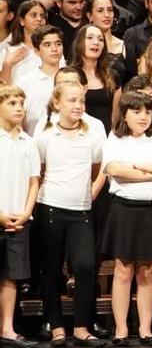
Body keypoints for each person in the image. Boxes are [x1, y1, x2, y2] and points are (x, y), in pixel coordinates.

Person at [98, 91, 152, 346]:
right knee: (123, 271)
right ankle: (121, 329)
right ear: (125, 114)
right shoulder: (115, 136)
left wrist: (135, 168)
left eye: (147, 111)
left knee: (147, 271)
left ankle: (145, 329)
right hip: (124, 209)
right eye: (137, 111)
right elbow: (114, 170)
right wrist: (149, 171)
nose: (143, 116)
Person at [34, 81, 106, 347]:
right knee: (51, 268)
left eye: (81, 101)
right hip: (50, 207)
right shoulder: (45, 135)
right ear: (57, 104)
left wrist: (92, 192)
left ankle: (80, 327)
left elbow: (100, 168)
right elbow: (38, 171)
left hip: (81, 210)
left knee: (86, 265)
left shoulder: (91, 134)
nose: (78, 106)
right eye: (72, 101)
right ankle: (56, 328)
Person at [0, 83, 40, 348]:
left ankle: (7, 328)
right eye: (12, 103)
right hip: (1, 215)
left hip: (19, 219)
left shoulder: (28, 142)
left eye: (21, 103)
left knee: (11, 275)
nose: (19, 108)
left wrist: (26, 212)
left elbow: (34, 180)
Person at [69, 25, 120, 134]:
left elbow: (116, 116)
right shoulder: (69, 75)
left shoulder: (112, 76)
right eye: (90, 38)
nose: (96, 42)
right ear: (79, 42)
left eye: (100, 39)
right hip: (77, 135)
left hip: (106, 136)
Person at [18, 25, 64, 135]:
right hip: (33, 144)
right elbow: (18, 120)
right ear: (37, 51)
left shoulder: (71, 78)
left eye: (58, 44)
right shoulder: (25, 81)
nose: (54, 49)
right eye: (47, 45)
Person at [1, 1, 48, 85]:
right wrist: (7, 64)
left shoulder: (53, 48)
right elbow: (3, 89)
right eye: (34, 15)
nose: (39, 19)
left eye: (42, 16)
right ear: (21, 21)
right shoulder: (8, 51)